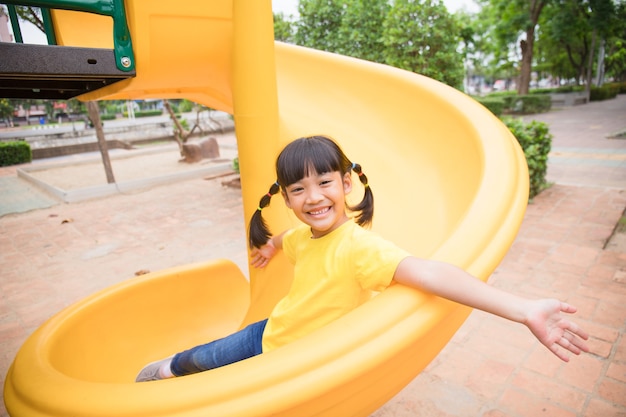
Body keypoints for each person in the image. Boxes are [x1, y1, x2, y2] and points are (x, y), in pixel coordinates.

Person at [136, 135, 589, 382]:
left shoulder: (359, 247)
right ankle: (168, 368)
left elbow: (429, 272)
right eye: (298, 190)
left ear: (347, 184)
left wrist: (522, 309)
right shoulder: (304, 234)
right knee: (202, 359)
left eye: (325, 183)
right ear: (287, 200)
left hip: (299, 360)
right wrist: (268, 248)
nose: (313, 197)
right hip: (267, 333)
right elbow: (289, 241)